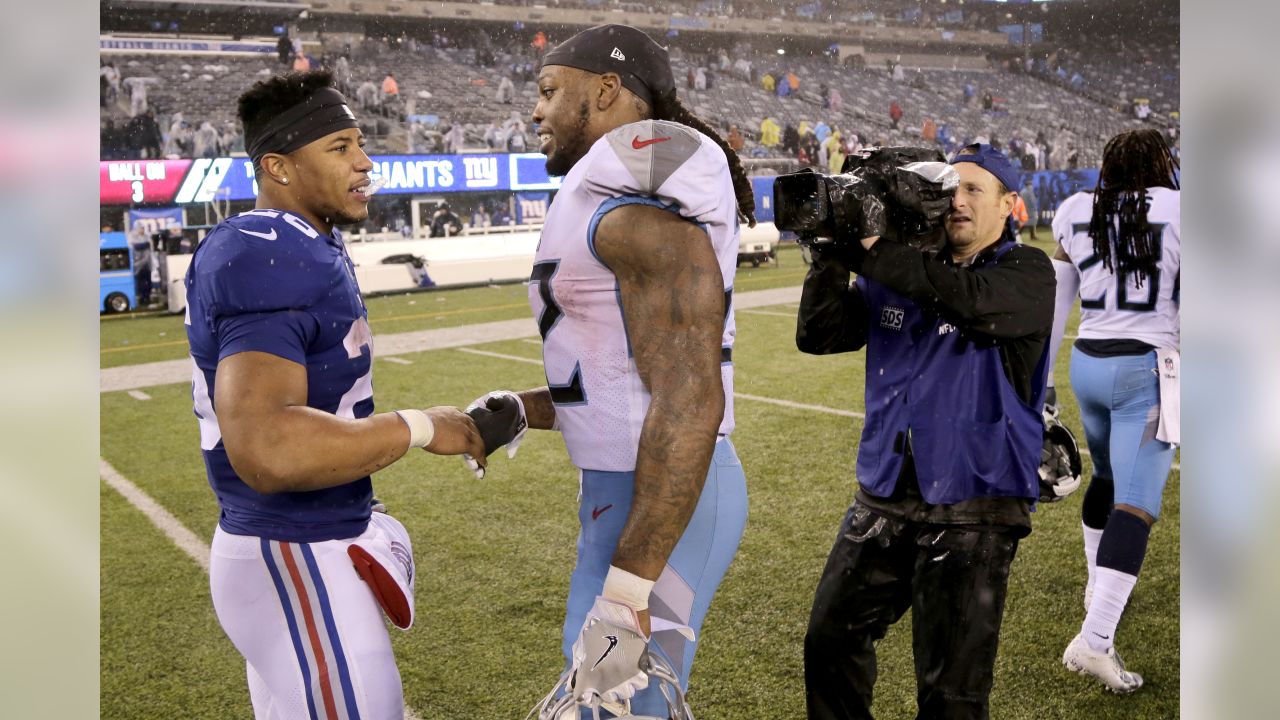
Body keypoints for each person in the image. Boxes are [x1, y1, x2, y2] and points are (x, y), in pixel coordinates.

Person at [465, 24, 756, 719]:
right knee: (600, 698)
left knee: (617, 705)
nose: (534, 111)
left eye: (547, 91)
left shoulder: (634, 212)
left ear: (604, 91)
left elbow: (688, 399)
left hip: (668, 492)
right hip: (622, 489)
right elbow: (616, 371)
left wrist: (630, 592)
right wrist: (529, 407)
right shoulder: (594, 198)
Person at [184, 70, 486, 719]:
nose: (365, 160)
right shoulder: (267, 252)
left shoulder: (303, 240)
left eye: (359, 143)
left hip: (294, 547)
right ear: (279, 166)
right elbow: (268, 449)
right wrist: (422, 426)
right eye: (340, 146)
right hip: (297, 555)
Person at [798, 144, 1055, 719]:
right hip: (886, 492)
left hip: (975, 504)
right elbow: (821, 336)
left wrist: (870, 245)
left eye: (974, 191)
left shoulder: (1027, 271)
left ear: (1010, 204)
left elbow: (964, 300)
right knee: (829, 642)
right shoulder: (907, 266)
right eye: (949, 190)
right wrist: (829, 256)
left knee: (951, 694)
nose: (957, 202)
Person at [1047, 128, 1180, 694]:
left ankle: (1096, 584)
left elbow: (1057, 298)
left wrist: (1041, 382)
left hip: (1088, 364)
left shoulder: (1077, 207)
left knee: (1105, 477)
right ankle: (1094, 640)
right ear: (1160, 164)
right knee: (1138, 505)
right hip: (1145, 369)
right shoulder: (1180, 207)